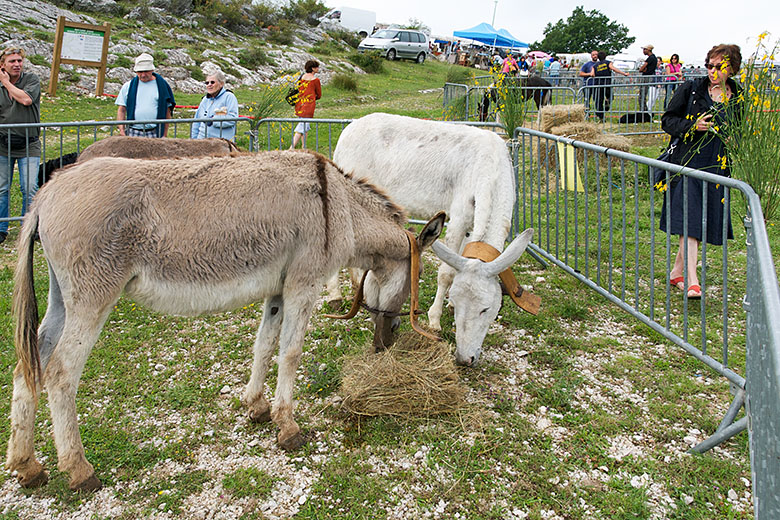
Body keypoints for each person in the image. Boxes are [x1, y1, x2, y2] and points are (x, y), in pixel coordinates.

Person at [659, 44, 743, 299]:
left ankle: (677, 272)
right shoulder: (692, 89)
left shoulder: (737, 94)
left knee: (698, 219)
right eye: (709, 65)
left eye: (720, 67)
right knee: (690, 220)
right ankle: (693, 279)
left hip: (718, 164)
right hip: (689, 162)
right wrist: (692, 126)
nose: (713, 71)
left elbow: (739, 128)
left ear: (732, 69)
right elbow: (667, 120)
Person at [0, 45, 40, 245]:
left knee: (30, 187)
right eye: (12, 61)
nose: (17, 65)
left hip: (28, 144)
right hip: (3, 145)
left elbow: (26, 100)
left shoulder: (31, 80)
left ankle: (30, 228)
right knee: (2, 188)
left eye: (19, 61)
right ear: (2, 65)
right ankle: (1, 228)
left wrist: (6, 83)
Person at [115, 53, 176, 138]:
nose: (143, 75)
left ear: (152, 70)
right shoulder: (128, 86)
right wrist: (122, 130)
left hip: (155, 131)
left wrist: (164, 134)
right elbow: (121, 109)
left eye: (146, 71)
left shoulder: (162, 86)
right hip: (133, 131)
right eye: (140, 72)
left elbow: (167, 110)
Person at [191, 71, 239, 141]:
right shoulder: (205, 99)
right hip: (202, 142)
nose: (209, 85)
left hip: (222, 143)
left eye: (212, 82)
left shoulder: (229, 97)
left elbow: (232, 119)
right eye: (207, 83)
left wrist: (213, 120)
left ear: (221, 84)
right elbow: (197, 122)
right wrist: (194, 140)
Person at [290, 59, 322, 149]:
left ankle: (304, 146)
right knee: (302, 126)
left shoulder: (301, 77)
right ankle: (292, 147)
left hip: (300, 104)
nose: (318, 69)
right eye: (316, 67)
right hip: (309, 105)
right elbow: (319, 95)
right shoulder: (315, 80)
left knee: (305, 125)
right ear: (313, 68)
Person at [590, 51, 629, 121]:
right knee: (610, 97)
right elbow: (613, 68)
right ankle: (606, 104)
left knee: (599, 101)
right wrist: (624, 73)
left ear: (598, 57)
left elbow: (592, 74)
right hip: (607, 84)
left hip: (598, 85)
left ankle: (601, 117)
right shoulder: (608, 62)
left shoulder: (594, 65)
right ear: (605, 56)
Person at [638, 44, 658, 112]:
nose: (643, 51)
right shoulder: (654, 58)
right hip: (648, 76)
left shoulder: (651, 58)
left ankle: (643, 111)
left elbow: (642, 68)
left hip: (646, 77)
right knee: (643, 95)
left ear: (648, 50)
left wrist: (642, 69)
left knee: (642, 95)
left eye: (644, 49)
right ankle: (644, 110)